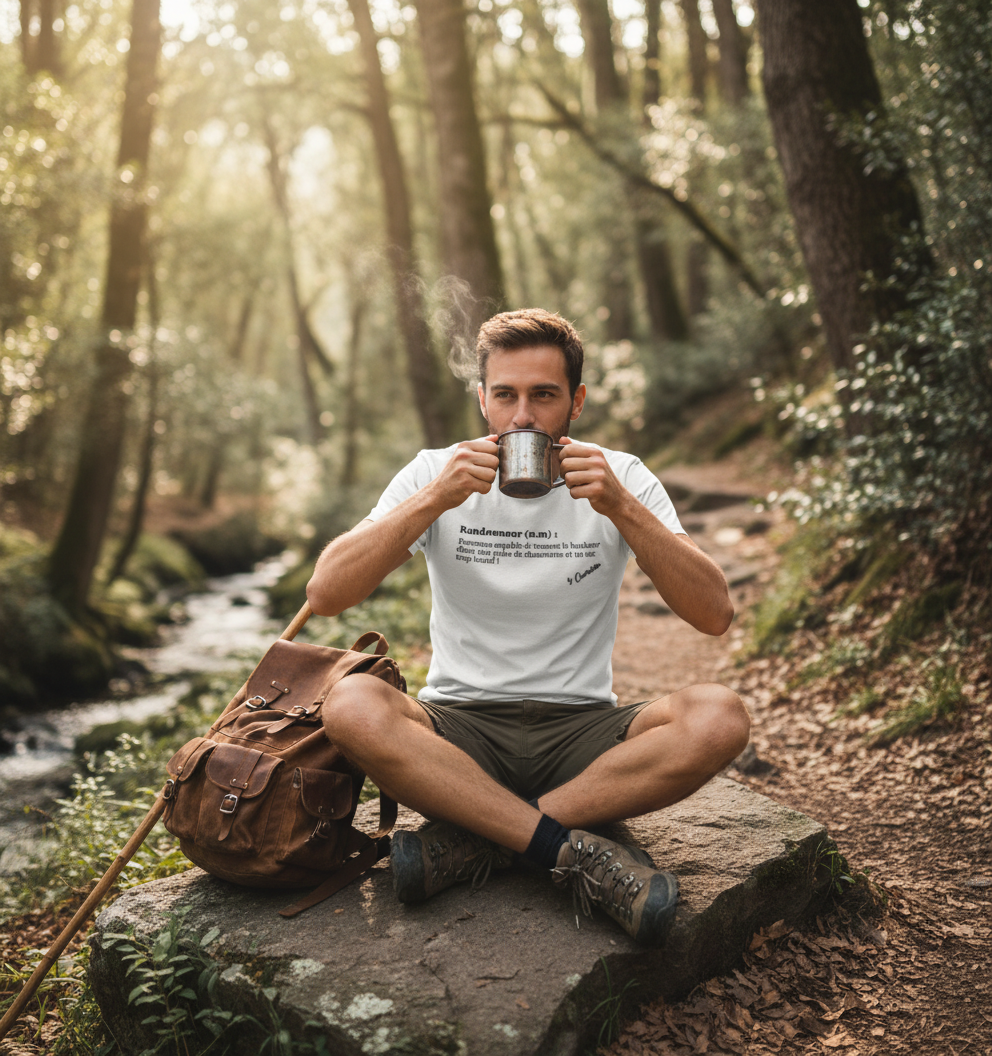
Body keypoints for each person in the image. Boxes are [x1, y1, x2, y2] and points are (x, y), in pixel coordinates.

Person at [308, 309, 750, 946]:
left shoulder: (621, 476)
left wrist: (622, 509)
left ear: (576, 402)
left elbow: (714, 615)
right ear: (481, 399)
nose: (522, 417)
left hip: (582, 735)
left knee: (720, 717)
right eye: (506, 395)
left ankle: (476, 839)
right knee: (350, 704)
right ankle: (565, 849)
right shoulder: (435, 471)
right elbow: (325, 593)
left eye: (543, 395)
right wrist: (434, 499)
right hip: (458, 732)